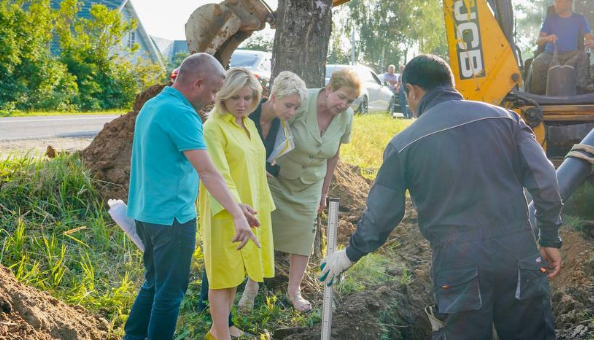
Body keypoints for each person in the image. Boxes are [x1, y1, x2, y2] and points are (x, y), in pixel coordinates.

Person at [320, 54, 563, 340]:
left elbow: (382, 215)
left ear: (413, 90)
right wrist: (549, 238)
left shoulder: (403, 145)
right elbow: (545, 181)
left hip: (457, 264)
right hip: (518, 254)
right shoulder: (506, 120)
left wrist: (349, 255)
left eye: (405, 95)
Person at [124, 53, 260, 340]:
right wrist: (237, 214)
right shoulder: (183, 114)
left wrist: (235, 204)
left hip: (145, 212)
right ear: (198, 83)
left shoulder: (154, 104)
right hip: (172, 218)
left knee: (154, 283)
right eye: (213, 92)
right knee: (171, 292)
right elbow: (208, 172)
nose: (214, 99)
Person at [271, 68, 361, 312]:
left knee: (303, 238)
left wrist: (323, 190)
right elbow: (274, 127)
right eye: (341, 97)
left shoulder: (346, 117)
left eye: (350, 101)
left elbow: (334, 156)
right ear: (329, 87)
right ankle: (251, 287)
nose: (344, 104)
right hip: (278, 179)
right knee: (264, 233)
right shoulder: (302, 100)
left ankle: (294, 292)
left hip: (311, 183)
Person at [198, 67, 275, 340]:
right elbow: (216, 173)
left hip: (252, 208)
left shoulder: (249, 125)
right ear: (222, 98)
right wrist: (236, 209)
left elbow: (254, 167)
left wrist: (262, 206)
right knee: (222, 275)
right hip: (225, 210)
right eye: (236, 98)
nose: (242, 104)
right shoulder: (213, 128)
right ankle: (222, 336)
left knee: (235, 274)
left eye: (248, 98)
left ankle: (217, 330)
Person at [235, 70, 308, 312]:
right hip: (235, 184)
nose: (291, 113)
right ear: (273, 96)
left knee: (259, 234)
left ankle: (251, 290)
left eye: (296, 108)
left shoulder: (280, 126)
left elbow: (268, 160)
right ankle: (216, 293)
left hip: (260, 188)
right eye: (288, 105)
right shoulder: (247, 112)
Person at [527, 0, 594, 95]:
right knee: (538, 62)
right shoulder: (550, 19)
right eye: (555, 2)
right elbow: (538, 40)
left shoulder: (579, 19)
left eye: (560, 2)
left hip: (572, 54)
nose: (556, 4)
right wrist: (547, 38)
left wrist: (591, 43)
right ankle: (539, 94)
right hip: (550, 54)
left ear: (569, 3)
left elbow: (590, 39)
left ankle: (580, 91)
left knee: (583, 56)